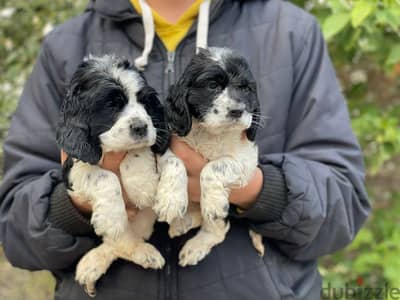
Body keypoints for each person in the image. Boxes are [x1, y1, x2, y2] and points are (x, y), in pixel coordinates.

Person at [0, 0, 371, 299]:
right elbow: (15, 229)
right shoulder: (65, 47)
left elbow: (344, 208)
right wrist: (82, 200)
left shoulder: (292, 32)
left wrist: (254, 190)